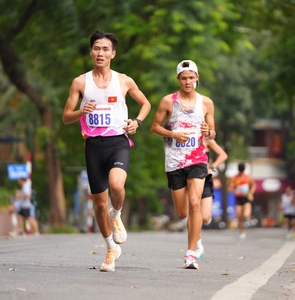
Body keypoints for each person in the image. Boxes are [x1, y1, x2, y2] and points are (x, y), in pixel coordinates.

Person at [62, 30, 151, 272]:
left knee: (117, 185)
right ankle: (110, 247)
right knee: (99, 204)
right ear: (91, 52)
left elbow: (145, 103)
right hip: (93, 146)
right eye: (96, 48)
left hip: (118, 142)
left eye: (105, 49)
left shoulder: (124, 80)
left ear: (113, 53)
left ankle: (117, 213)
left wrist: (137, 122)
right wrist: (82, 111)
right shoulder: (80, 82)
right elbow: (66, 117)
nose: (100, 53)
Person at [150, 59, 216, 270]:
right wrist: (173, 134)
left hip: (197, 159)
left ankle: (190, 253)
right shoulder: (168, 101)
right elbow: (154, 127)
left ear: (197, 78)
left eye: (191, 77)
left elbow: (212, 132)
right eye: (184, 78)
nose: (188, 81)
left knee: (196, 202)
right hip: (174, 161)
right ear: (178, 79)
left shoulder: (206, 103)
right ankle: (193, 230)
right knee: (182, 212)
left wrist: (208, 132)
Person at [195, 138, 228, 259]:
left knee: (204, 217)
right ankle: (198, 245)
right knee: (194, 211)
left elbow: (223, 155)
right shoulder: (185, 135)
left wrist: (212, 167)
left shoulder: (206, 140)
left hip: (206, 179)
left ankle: (206, 218)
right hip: (191, 179)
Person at [229, 162, 256, 239]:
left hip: (246, 198)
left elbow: (254, 185)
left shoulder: (248, 177)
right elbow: (229, 188)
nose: (241, 172)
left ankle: (249, 219)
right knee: (239, 216)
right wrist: (234, 190)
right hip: (238, 199)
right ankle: (242, 231)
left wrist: (251, 193)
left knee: (246, 214)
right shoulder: (234, 178)